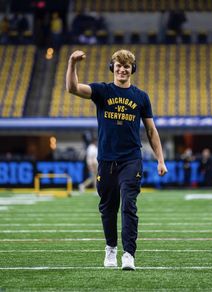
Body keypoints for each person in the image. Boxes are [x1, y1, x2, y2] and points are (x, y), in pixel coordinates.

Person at [66, 49, 167, 270]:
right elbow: (72, 88)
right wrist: (72, 62)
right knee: (108, 208)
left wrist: (160, 160)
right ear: (113, 68)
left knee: (129, 205)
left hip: (131, 159)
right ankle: (110, 248)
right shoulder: (103, 91)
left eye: (127, 66)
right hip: (106, 160)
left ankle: (129, 254)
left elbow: (151, 130)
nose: (122, 70)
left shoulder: (141, 96)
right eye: (119, 66)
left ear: (132, 70)